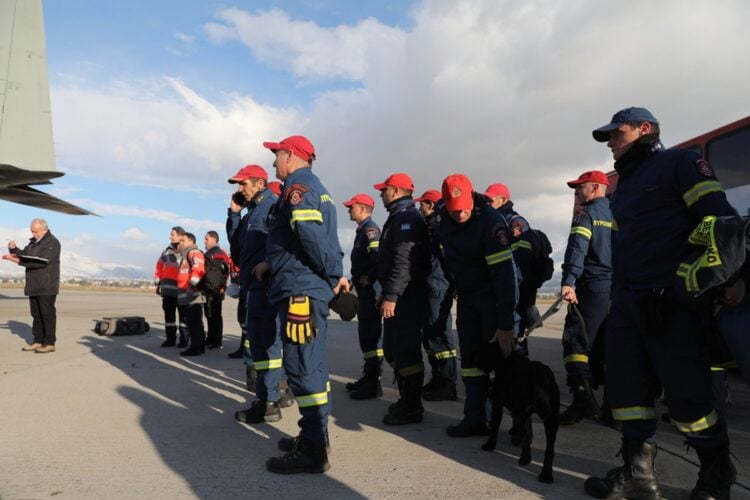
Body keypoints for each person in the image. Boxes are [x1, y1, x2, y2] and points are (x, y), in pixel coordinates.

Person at [584, 107, 738, 499]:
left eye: (616, 134)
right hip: (629, 304)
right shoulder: (624, 187)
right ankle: (638, 474)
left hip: (673, 305)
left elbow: (718, 222)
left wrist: (699, 281)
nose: (611, 143)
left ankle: (716, 472)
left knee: (689, 399)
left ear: (644, 129)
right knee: (626, 393)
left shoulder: (680, 164)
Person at [255, 135, 347, 474]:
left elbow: (310, 233)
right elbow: (304, 238)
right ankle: (314, 437)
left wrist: (334, 273)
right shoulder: (312, 187)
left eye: (276, 156)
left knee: (302, 367)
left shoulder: (299, 188)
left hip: (300, 292)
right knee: (312, 367)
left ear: (290, 156)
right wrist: (272, 263)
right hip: (301, 285)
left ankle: (312, 450)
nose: (273, 163)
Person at [436, 174, 518, 437]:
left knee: (503, 360)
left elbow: (505, 277)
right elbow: (442, 255)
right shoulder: (441, 218)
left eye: (464, 209)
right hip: (468, 297)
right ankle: (474, 418)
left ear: (472, 198)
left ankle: (519, 424)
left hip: (492, 296)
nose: (460, 215)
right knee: (471, 358)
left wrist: (506, 324)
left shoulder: (492, 224)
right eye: (454, 210)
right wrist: (456, 282)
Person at [227, 164, 291, 424]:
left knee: (267, 344)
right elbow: (237, 248)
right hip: (252, 287)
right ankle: (266, 399)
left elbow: (283, 244)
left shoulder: (272, 208)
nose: (240, 189)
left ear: (260, 183)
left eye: (243, 184)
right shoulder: (252, 212)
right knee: (259, 346)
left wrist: (269, 266)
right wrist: (233, 214)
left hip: (265, 287)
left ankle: (270, 401)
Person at [374, 173, 431, 425]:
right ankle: (407, 399)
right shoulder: (399, 217)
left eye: (384, 190)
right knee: (395, 350)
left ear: (395, 191)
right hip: (399, 295)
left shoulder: (406, 218)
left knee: (406, 351)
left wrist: (391, 295)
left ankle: (412, 406)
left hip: (406, 297)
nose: (381, 194)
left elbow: (403, 262)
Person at [558, 170, 613, 426]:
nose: (577, 192)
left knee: (575, 342)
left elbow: (578, 248)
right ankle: (613, 410)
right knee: (608, 347)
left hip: (590, 288)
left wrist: (569, 281)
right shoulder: (616, 214)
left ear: (596, 188)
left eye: (581, 187)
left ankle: (584, 401)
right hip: (614, 289)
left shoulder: (586, 214)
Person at [414, 189, 458, 401]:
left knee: (440, 334)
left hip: (438, 286)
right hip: (430, 285)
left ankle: (448, 382)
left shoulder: (439, 228)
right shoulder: (429, 227)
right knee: (430, 334)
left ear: (430, 205)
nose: (419, 208)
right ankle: (438, 377)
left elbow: (446, 258)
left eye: (422, 204)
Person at [484, 183, 536, 356]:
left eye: (491, 200)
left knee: (514, 338)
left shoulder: (516, 224)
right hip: (503, 290)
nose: (487, 203)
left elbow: (520, 262)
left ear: (503, 200)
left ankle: (518, 377)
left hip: (516, 291)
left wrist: (510, 288)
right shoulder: (496, 222)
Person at [342, 193, 384, 400]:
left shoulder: (371, 230)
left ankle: (374, 383)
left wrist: (370, 277)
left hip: (371, 292)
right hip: (363, 290)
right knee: (366, 335)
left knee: (371, 335)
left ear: (362, 208)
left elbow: (379, 258)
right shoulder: (362, 231)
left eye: (352, 206)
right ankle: (369, 377)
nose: (349, 210)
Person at [5, 218, 61, 353]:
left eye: (35, 231)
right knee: (36, 314)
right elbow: (24, 255)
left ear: (44, 230)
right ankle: (38, 340)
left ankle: (49, 343)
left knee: (46, 314)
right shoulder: (33, 243)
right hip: (33, 284)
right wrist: (13, 249)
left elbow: (41, 262)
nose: (33, 234)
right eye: (32, 231)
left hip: (46, 285)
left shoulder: (52, 242)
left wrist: (18, 262)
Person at [154, 226, 188, 348]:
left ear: (180, 236)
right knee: (169, 317)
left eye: (172, 234)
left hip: (182, 291)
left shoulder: (187, 251)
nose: (170, 236)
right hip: (168, 291)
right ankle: (170, 338)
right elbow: (159, 267)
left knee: (184, 318)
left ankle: (184, 339)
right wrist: (157, 283)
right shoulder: (167, 251)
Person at [176, 232, 207, 357]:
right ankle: (198, 346)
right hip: (188, 295)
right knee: (194, 323)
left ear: (191, 241)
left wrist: (192, 285)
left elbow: (198, 268)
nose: (181, 243)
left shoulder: (194, 253)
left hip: (193, 295)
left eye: (183, 240)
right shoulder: (185, 255)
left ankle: (195, 348)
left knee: (194, 323)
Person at [203, 231, 232, 349]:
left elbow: (226, 273)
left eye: (206, 239)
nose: (204, 241)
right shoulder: (208, 254)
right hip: (207, 288)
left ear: (214, 239)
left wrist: (222, 287)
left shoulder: (220, 254)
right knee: (209, 314)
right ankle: (210, 338)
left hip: (216, 290)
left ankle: (216, 340)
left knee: (215, 315)